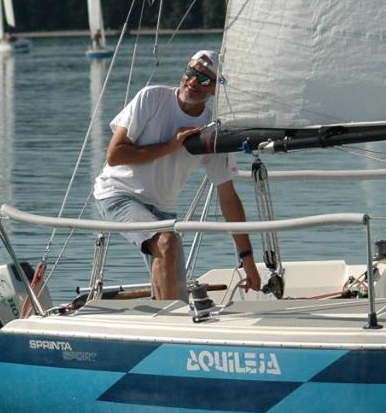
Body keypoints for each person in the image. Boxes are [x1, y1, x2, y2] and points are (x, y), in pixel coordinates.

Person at [94, 50, 262, 301]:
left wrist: (247, 259)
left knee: (179, 298)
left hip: (163, 209)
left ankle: (164, 323)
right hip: (118, 193)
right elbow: (115, 155)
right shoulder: (151, 98)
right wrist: (170, 146)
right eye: (191, 72)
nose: (193, 81)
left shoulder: (213, 130)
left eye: (204, 79)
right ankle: (166, 324)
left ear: (216, 88)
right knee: (167, 243)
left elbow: (228, 196)